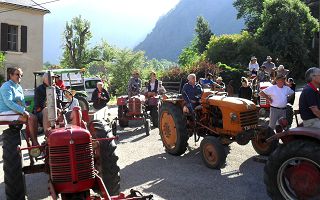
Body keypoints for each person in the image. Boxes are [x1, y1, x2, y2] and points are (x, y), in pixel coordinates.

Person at [0, 67, 39, 146]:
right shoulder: (6, 86)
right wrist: (23, 111)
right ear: (11, 75)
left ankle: (31, 139)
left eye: (21, 75)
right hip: (4, 112)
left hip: (13, 111)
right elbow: (9, 102)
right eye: (17, 74)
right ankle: (34, 143)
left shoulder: (18, 87)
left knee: (34, 117)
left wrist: (26, 109)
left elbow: (22, 102)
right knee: (30, 118)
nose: (20, 77)